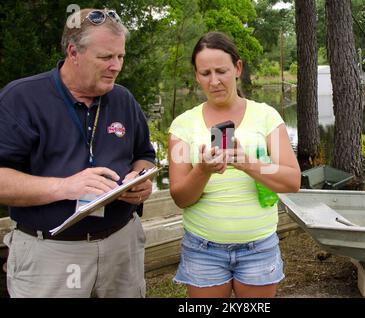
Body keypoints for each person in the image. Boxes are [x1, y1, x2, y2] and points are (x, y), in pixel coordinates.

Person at [0, 8, 155, 297]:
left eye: (120, 56)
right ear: (73, 52)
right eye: (106, 57)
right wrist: (65, 186)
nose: (116, 66)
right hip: (51, 254)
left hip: (122, 245)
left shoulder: (123, 98)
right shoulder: (20, 99)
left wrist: (140, 178)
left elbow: (144, 154)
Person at [168, 32, 300, 298]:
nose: (214, 81)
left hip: (259, 248)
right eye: (205, 73)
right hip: (202, 249)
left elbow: (292, 180)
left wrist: (249, 164)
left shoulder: (266, 116)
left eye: (221, 71)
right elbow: (181, 197)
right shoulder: (183, 124)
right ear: (196, 75)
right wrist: (202, 171)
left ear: (237, 68)